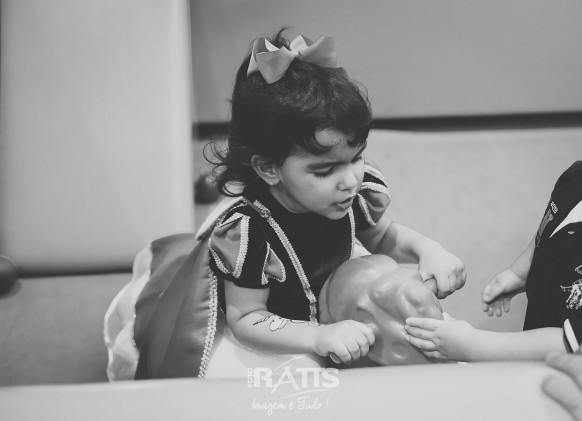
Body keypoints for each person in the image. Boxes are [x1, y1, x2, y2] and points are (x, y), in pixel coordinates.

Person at [105, 29, 465, 380]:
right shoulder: (250, 234)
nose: (350, 180)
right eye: (324, 170)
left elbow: (383, 237)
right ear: (269, 168)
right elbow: (248, 319)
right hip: (279, 328)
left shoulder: (349, 193)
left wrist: (428, 250)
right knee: (295, 387)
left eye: (356, 158)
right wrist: (317, 337)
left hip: (333, 300)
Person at [404, 161, 582, 362]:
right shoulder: (576, 178)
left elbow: (569, 345)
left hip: (564, 368)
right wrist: (519, 273)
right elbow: (548, 229)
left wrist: (470, 345)